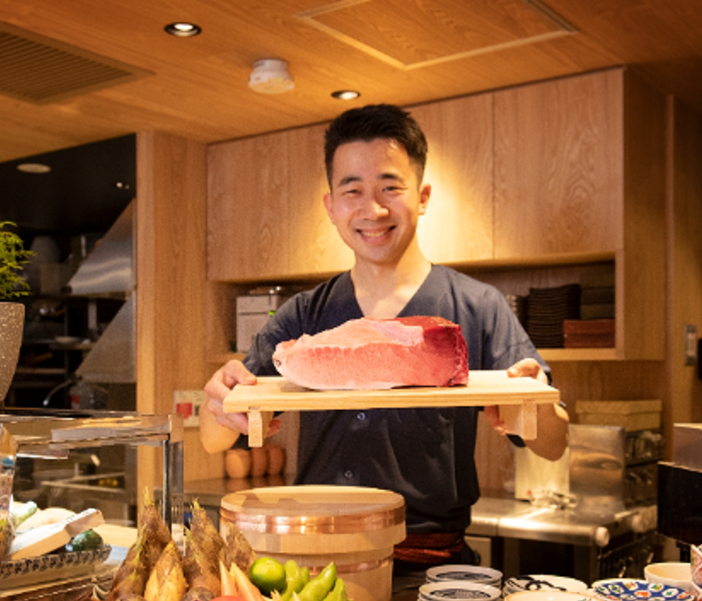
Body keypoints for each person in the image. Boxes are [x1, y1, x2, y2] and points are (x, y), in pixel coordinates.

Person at [200, 103, 569, 572]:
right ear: (331, 206)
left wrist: (535, 403)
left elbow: (554, 442)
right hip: (316, 563)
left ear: (423, 197)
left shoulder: (479, 306)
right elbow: (214, 439)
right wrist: (219, 401)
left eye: (390, 188)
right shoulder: (303, 315)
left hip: (433, 570)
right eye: (352, 190)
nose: (372, 210)